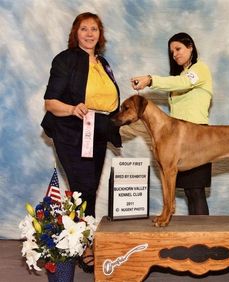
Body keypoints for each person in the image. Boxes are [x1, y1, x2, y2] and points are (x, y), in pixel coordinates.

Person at [41, 12, 121, 273]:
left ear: (100, 35)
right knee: (81, 189)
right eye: (84, 29)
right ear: (76, 33)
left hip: (96, 131)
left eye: (94, 29)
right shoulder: (65, 60)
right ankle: (84, 249)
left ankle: (84, 243)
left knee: (89, 191)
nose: (89, 34)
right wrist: (73, 109)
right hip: (70, 131)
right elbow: (50, 102)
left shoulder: (103, 62)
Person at [131, 32, 212, 216]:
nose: (175, 54)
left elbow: (182, 83)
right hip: (179, 140)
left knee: (197, 191)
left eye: (178, 49)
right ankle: (194, 238)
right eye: (172, 51)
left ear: (190, 47)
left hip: (198, 137)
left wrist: (151, 80)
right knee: (190, 191)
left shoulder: (200, 69)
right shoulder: (182, 74)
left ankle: (203, 238)